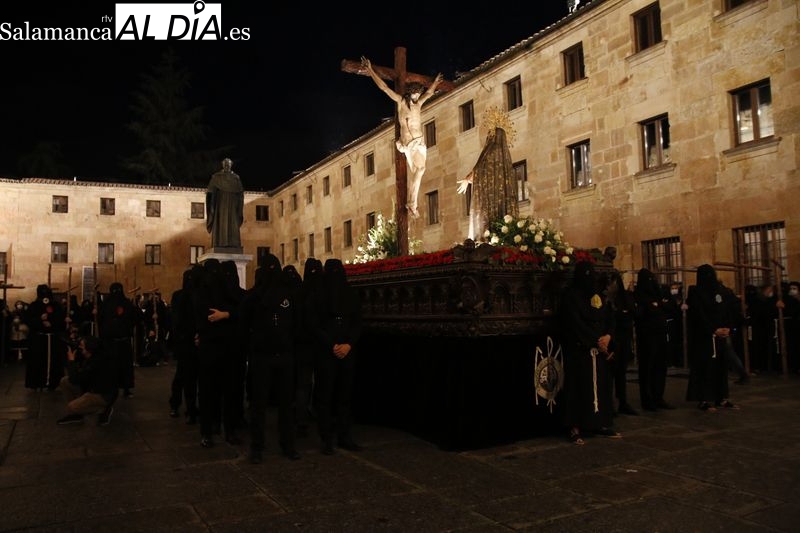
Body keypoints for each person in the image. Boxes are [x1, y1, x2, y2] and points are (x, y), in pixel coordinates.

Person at [361, 57, 443, 219]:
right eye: (414, 93)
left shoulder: (418, 104)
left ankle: (412, 202)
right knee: (419, 170)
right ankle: (412, 203)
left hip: (419, 143)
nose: (417, 95)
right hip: (408, 143)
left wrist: (435, 83)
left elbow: (429, 93)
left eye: (418, 93)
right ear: (409, 92)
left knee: (419, 170)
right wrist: (370, 70)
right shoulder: (400, 102)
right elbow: (384, 88)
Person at [240, 254, 301, 463]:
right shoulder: (254, 296)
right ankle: (257, 446)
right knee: (259, 404)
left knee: (286, 403)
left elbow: (295, 323)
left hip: (284, 355)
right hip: (261, 357)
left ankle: (288, 444)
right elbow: (244, 324)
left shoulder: (288, 295)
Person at [559, 260, 620, 445]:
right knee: (578, 388)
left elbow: (610, 318)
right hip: (581, 351)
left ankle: (599, 422)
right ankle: (575, 426)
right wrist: (595, 341)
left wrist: (608, 336)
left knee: (600, 387)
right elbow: (575, 323)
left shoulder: (599, 297)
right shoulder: (571, 296)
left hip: (599, 351)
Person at [309, 258, 364, 454]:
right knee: (325, 396)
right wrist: (332, 345)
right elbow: (314, 325)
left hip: (346, 352)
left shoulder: (350, 294)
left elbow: (357, 321)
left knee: (344, 396)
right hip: (326, 353)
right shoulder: (318, 296)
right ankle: (326, 438)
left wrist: (348, 344)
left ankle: (344, 435)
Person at [685, 264, 739, 411]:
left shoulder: (721, 291)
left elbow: (728, 310)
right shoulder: (696, 293)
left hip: (720, 335)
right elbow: (698, 315)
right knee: (705, 368)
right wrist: (712, 330)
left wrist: (728, 328)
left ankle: (721, 397)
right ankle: (703, 398)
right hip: (704, 338)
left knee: (721, 368)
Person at [456, 127, 518, 240]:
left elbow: (479, 170)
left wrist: (467, 179)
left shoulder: (488, 153)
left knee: (486, 227)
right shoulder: (506, 159)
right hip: (502, 202)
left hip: (488, 201)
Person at [633, 268, 673, 411]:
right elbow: (642, 313)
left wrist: (658, 305)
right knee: (647, 368)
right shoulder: (639, 296)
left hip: (660, 335)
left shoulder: (657, 294)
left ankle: (658, 397)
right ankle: (648, 399)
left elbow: (669, 306)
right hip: (647, 338)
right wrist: (654, 306)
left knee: (660, 367)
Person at [56, 335, 119, 426]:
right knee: (65, 381)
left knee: (71, 407)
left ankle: (104, 409)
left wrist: (71, 361)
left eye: (82, 346)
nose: (79, 347)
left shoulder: (96, 362)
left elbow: (75, 379)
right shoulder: (93, 356)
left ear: (89, 348)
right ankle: (77, 414)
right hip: (92, 388)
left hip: (103, 395)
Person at [98, 282, 141, 400]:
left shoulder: (127, 304)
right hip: (110, 342)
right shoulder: (106, 304)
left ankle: (126, 388)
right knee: (111, 366)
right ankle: (112, 388)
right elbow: (100, 320)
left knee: (125, 366)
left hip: (123, 341)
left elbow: (135, 319)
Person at [296, 258, 323, 438]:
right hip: (321, 344)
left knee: (304, 384)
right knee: (318, 381)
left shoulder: (299, 292)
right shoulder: (324, 291)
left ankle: (301, 419)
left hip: (304, 345)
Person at [169, 267, 200, 424]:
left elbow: (175, 320)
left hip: (184, 343)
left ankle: (177, 405)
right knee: (188, 378)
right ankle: (189, 408)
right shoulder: (195, 295)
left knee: (183, 376)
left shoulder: (178, 296)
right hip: (191, 342)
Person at [605, 271, 638, 416]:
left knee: (620, 373)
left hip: (623, 339)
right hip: (612, 340)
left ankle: (622, 402)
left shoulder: (624, 297)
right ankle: (610, 404)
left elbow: (630, 313)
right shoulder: (607, 300)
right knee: (610, 374)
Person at [24, 284, 66, 391]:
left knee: (54, 362)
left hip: (52, 339)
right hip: (38, 339)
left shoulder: (56, 306)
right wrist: (39, 320)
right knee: (37, 361)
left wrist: (51, 323)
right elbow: (28, 320)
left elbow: (61, 320)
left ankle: (52, 383)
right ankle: (37, 383)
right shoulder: (33, 306)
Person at [206, 158, 244, 250]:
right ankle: (219, 243)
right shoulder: (216, 177)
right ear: (223, 165)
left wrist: (239, 205)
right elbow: (210, 191)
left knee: (232, 224)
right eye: (225, 164)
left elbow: (240, 193)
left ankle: (233, 243)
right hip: (220, 205)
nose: (227, 166)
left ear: (231, 165)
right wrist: (211, 204)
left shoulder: (236, 178)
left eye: (229, 164)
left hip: (232, 206)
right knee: (220, 223)